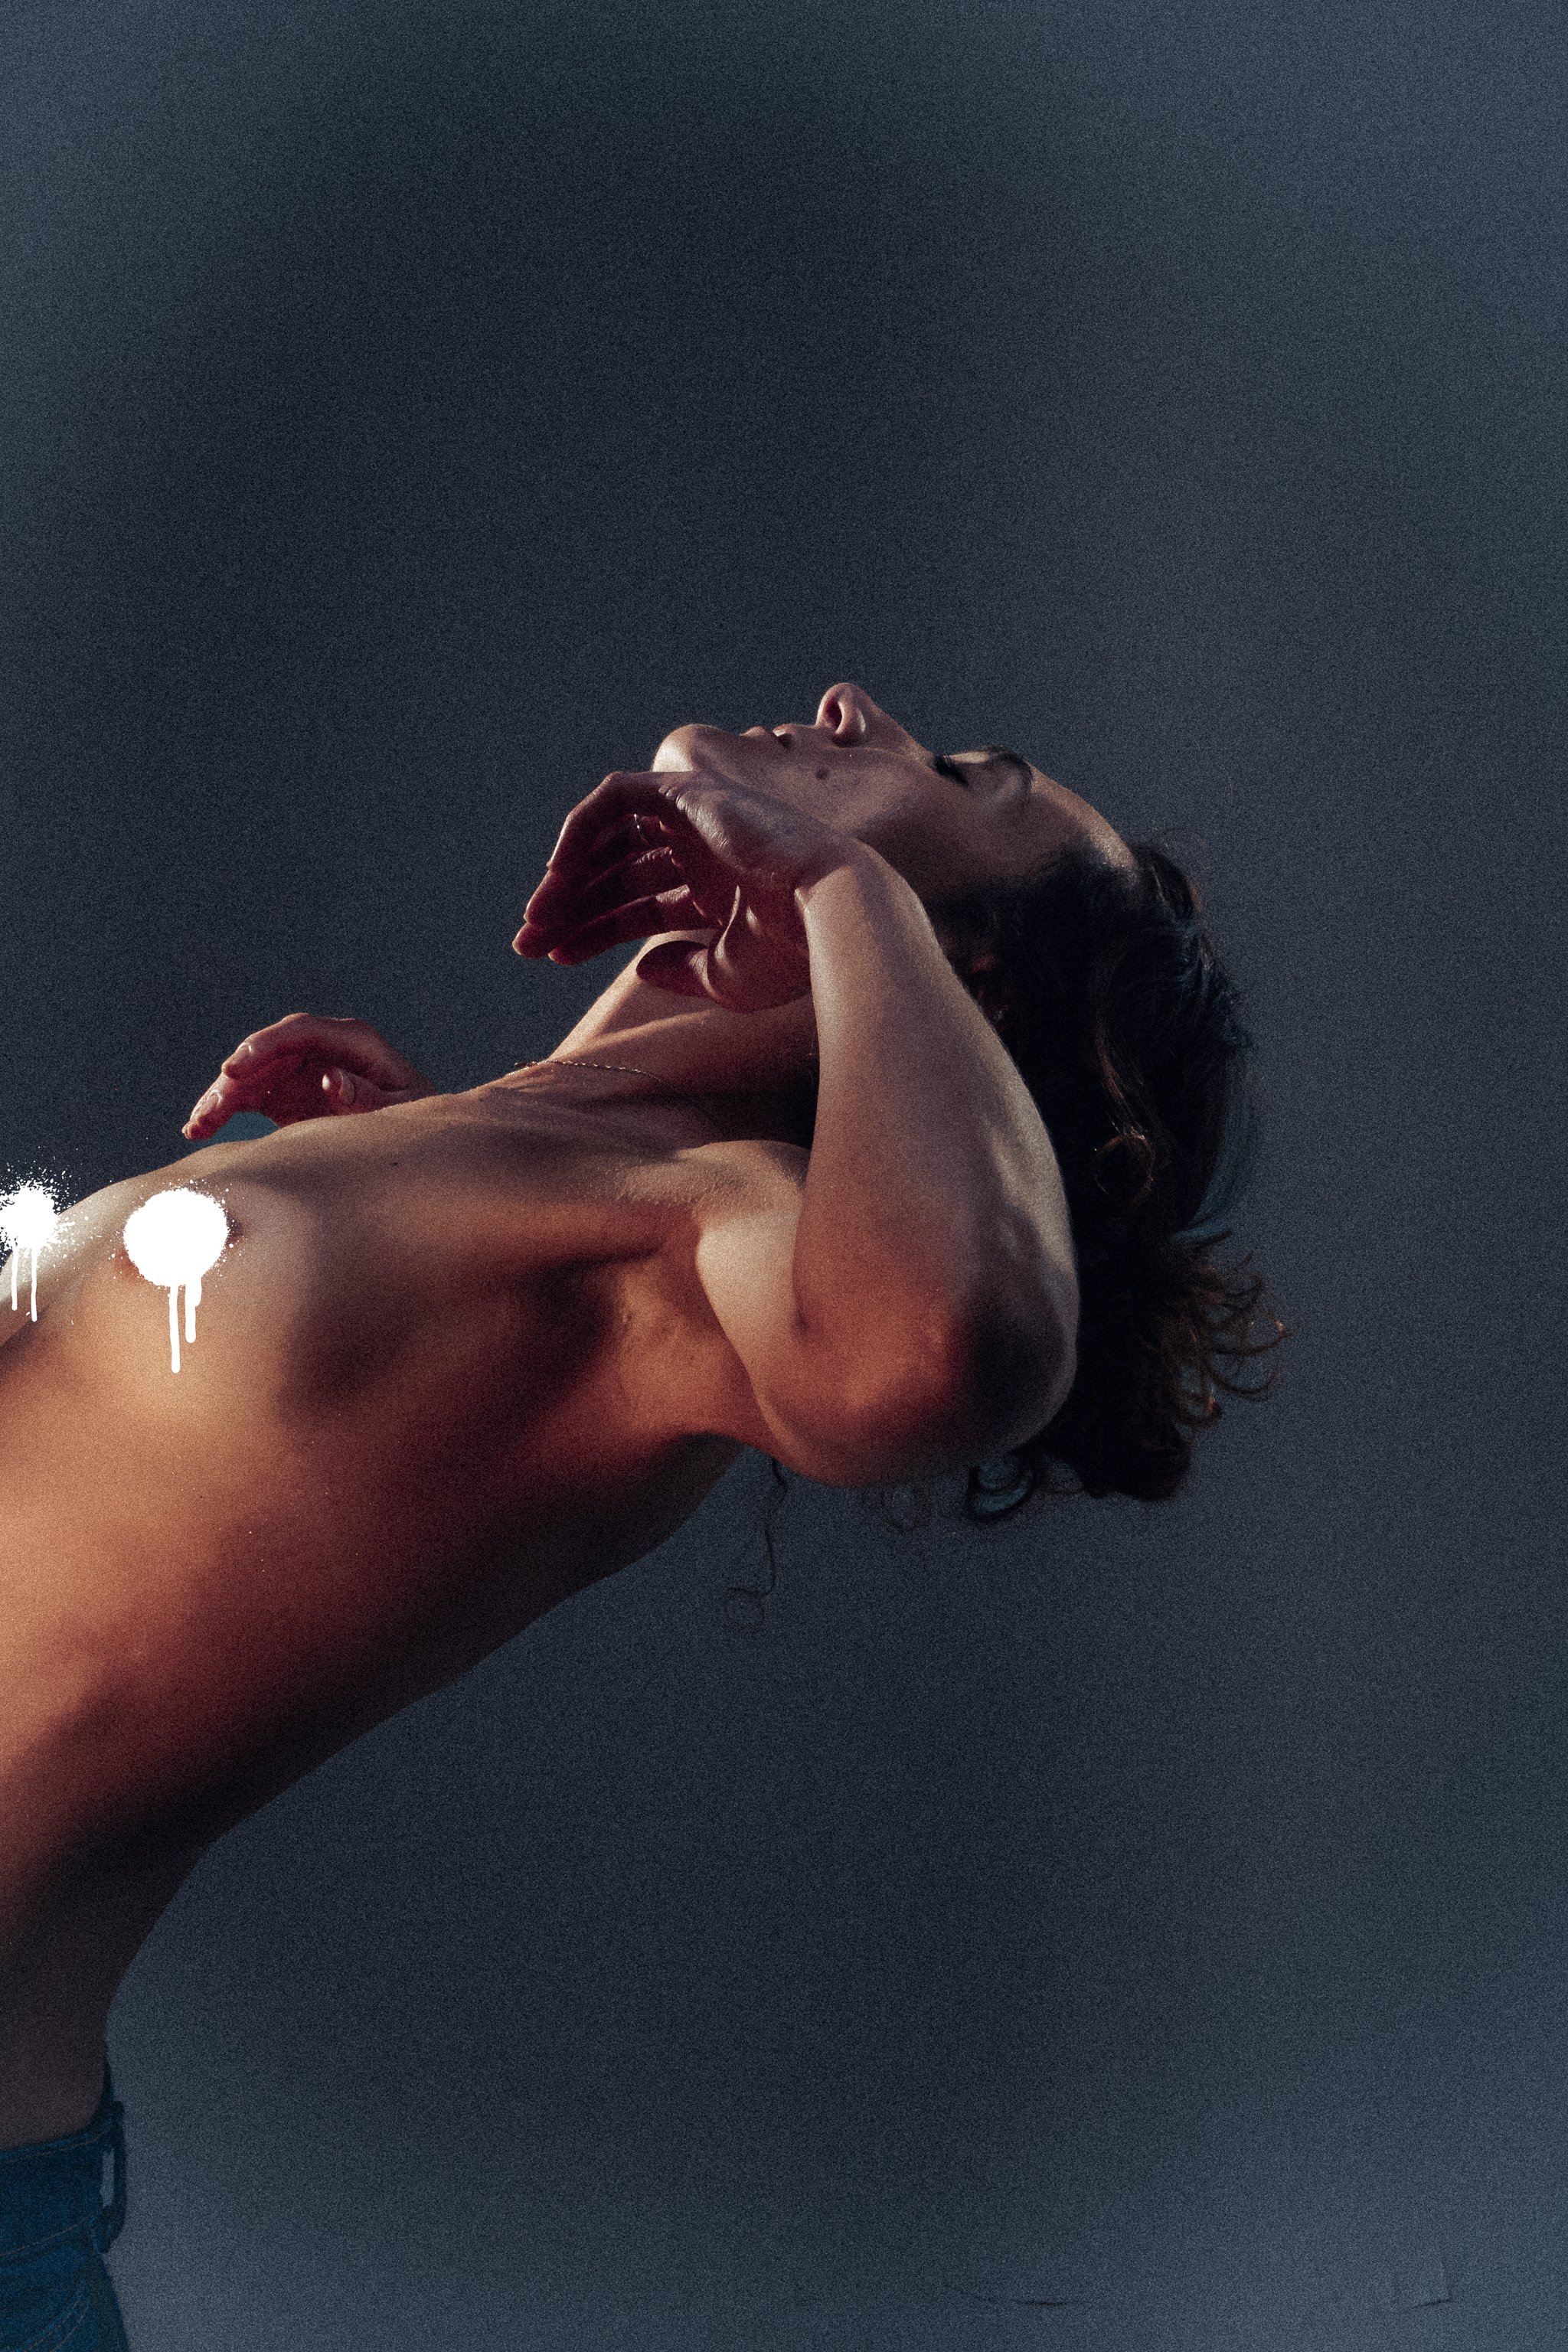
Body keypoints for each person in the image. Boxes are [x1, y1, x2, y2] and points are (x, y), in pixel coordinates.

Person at [0, 683, 1284, 2342]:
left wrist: (843, 889)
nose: (859, 712)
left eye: (961, 778)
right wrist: (339, 1193)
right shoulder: (508, 1170)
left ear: (953, 971)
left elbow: (948, 1346)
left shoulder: (691, 1237)